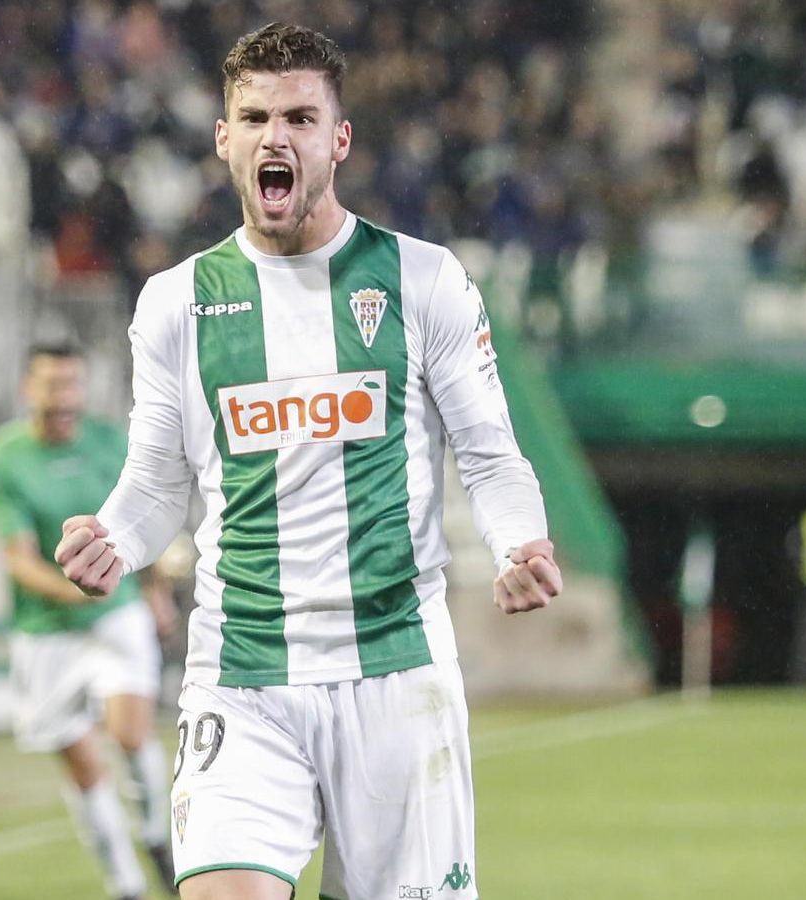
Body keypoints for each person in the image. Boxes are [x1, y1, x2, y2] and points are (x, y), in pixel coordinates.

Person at [52, 24, 563, 900]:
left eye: (298, 116)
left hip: (395, 671)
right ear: (224, 139)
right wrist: (115, 540)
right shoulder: (175, 303)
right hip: (241, 667)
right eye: (252, 117)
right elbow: (156, 481)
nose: (273, 137)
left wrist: (522, 542)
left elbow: (489, 452)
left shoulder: (422, 280)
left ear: (339, 139)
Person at [0, 344, 179, 900]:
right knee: (86, 770)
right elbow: (17, 557)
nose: (65, 397)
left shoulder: (112, 442)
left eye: (73, 385)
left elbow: (147, 519)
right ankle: (126, 884)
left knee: (130, 733)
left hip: (118, 615)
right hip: (47, 632)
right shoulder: (2, 458)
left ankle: (158, 836)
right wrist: (75, 587)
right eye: (52, 385)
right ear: (28, 390)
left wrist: (155, 591)